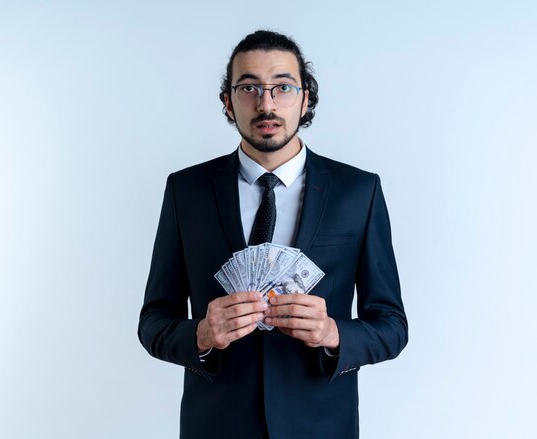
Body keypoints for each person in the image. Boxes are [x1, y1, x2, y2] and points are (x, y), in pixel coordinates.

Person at [138, 30, 408, 439]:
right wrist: (201, 334)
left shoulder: (359, 192)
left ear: (306, 98)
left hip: (321, 426)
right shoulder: (186, 191)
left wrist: (333, 333)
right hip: (215, 425)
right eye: (249, 88)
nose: (266, 104)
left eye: (282, 87)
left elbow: (391, 326)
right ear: (228, 102)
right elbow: (153, 321)